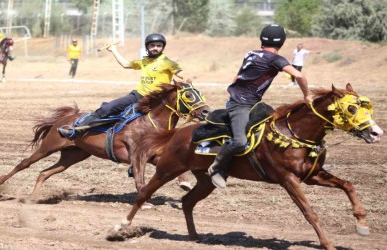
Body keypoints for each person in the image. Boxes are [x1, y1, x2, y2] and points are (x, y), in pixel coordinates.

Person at [207, 24, 313, 189]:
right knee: (240, 142)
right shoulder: (276, 60)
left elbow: (238, 75)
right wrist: (307, 95)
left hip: (251, 103)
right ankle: (217, 167)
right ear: (282, 42)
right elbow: (299, 75)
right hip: (240, 105)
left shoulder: (251, 53)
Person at [59, 33, 185, 139]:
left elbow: (183, 75)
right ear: (147, 47)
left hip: (157, 101)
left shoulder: (168, 62)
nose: (155, 48)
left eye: (159, 46)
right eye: (152, 45)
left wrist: (183, 81)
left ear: (163, 48)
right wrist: (114, 50)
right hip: (138, 95)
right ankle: (77, 130)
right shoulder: (144, 61)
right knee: (109, 108)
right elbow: (125, 64)